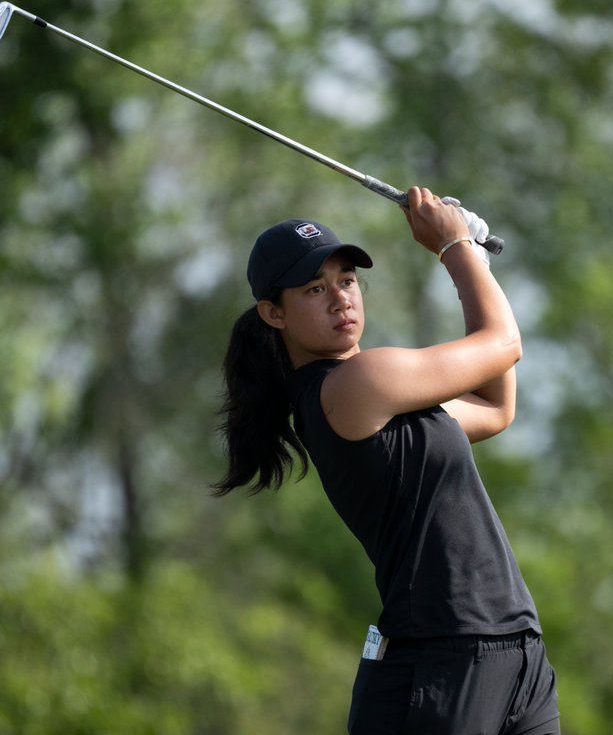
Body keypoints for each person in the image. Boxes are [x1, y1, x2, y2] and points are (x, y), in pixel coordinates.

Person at [214, 186, 560, 734]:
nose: (340, 299)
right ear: (273, 313)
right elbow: (504, 342)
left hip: (513, 650)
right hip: (441, 662)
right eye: (314, 289)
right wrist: (455, 248)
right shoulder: (356, 385)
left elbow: (494, 407)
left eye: (347, 281)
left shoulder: (375, 391)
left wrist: (470, 251)